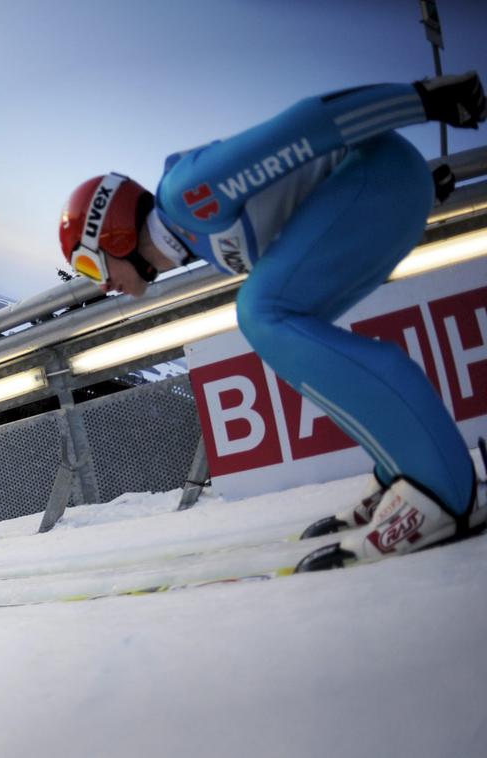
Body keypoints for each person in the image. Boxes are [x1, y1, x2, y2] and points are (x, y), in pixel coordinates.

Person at [58, 73, 487, 571]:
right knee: (293, 328)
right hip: (384, 186)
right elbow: (304, 186)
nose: (102, 284)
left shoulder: (185, 196)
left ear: (110, 234)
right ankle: (404, 470)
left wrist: (424, 101)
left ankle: (441, 486)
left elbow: (305, 128)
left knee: (263, 312)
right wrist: (416, 191)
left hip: (379, 174)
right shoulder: (198, 238)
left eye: (90, 267)